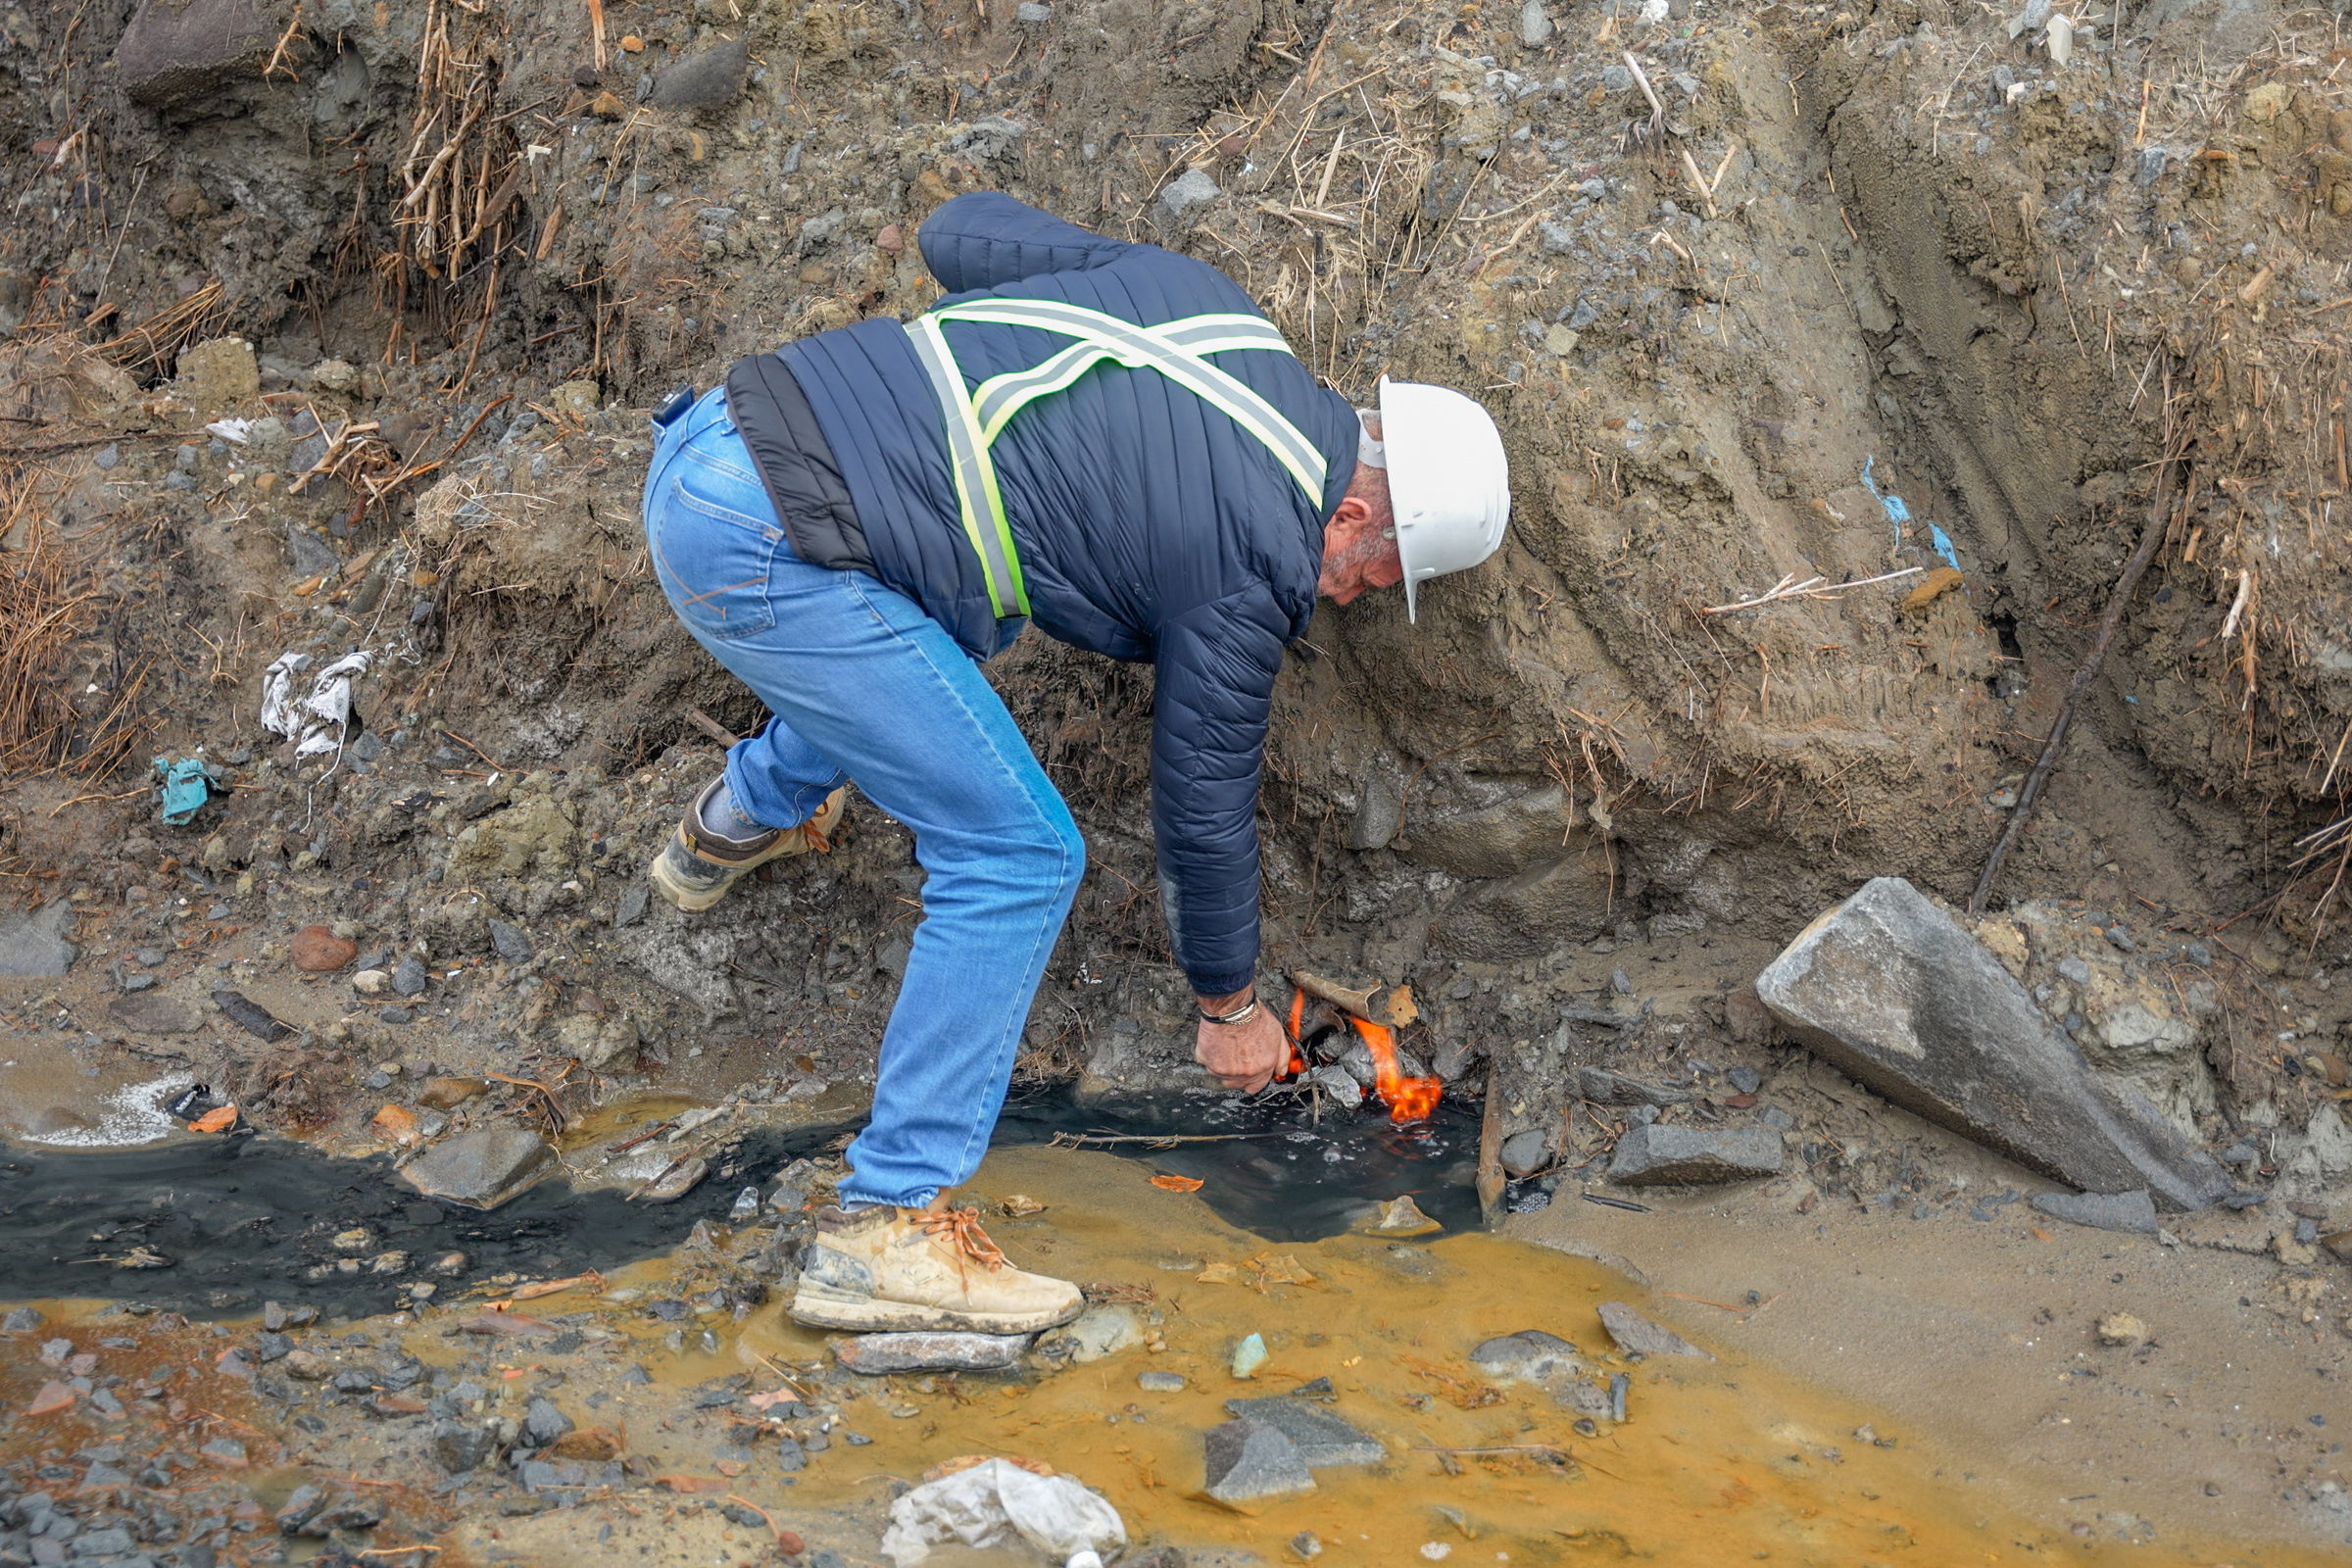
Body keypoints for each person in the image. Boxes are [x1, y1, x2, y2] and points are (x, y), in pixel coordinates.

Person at [638, 192, 1507, 1337]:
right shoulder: (1253, 559)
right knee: (1021, 850)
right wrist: (1229, 1005)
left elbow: (954, 234)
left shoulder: (1217, 312)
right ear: (1352, 509)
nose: (1359, 597)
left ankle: (738, 814)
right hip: (773, 549)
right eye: (1378, 573)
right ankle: (886, 1226)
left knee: (959, 625)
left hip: (718, 446)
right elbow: (1202, 804)